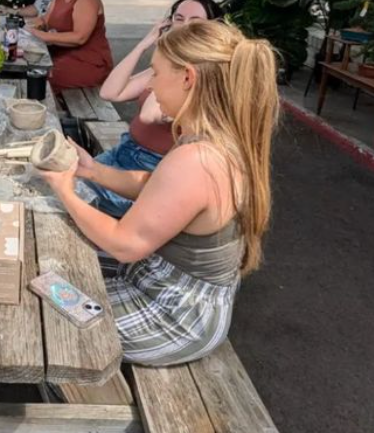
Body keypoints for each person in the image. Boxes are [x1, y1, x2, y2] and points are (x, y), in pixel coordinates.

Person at [39, 20, 279, 366]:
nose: (150, 85)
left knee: (48, 305)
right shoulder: (213, 140)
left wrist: (66, 191)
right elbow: (156, 187)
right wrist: (93, 171)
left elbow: (125, 244)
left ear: (188, 78)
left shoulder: (198, 159)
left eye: (155, 73)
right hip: (161, 280)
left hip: (174, 314)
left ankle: (79, 396)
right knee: (55, 261)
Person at [91, 0, 223, 216]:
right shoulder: (166, 66)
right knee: (61, 177)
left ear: (213, 28)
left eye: (195, 21)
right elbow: (110, 92)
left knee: (69, 189)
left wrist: (173, 62)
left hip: (150, 171)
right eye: (179, 18)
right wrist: (145, 43)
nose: (185, 26)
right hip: (124, 151)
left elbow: (149, 114)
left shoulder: (202, 75)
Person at [27, 0, 113, 90]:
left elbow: (79, 37)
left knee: (39, 78)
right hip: (62, 57)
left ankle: (50, 110)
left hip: (87, 62)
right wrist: (27, 26)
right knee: (31, 71)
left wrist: (45, 36)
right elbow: (44, 20)